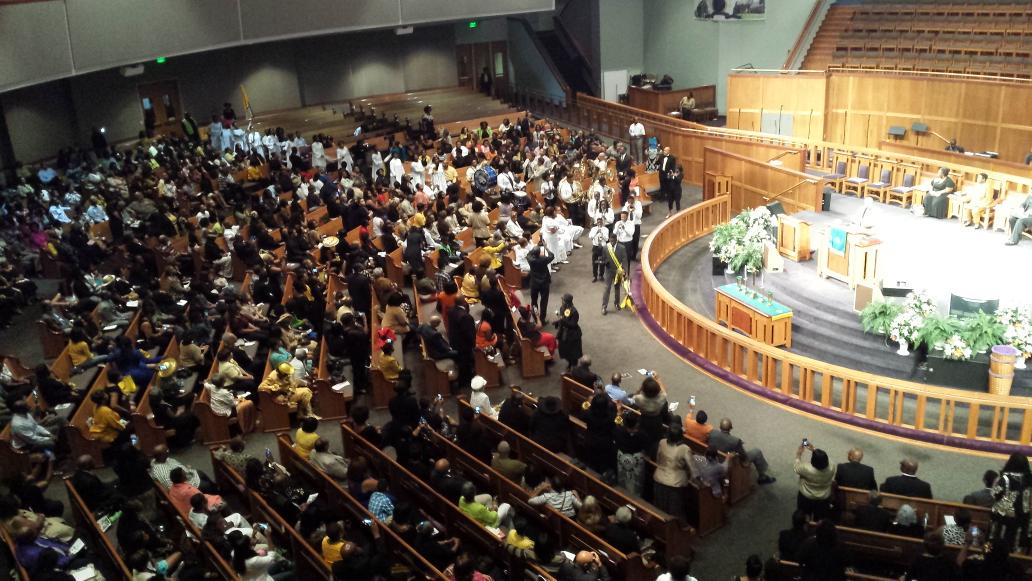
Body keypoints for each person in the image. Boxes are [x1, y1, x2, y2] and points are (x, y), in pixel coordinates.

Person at [710, 418, 776, 485]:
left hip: (716, 459)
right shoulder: (735, 441)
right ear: (730, 428)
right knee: (757, 452)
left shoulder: (712, 433)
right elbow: (744, 456)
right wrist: (739, 446)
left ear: (720, 426)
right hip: (730, 463)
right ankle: (762, 477)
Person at [988, 452, 1031, 552]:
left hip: (1002, 523)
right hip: (1022, 523)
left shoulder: (1004, 479)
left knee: (993, 549)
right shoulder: (1029, 480)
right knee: (1015, 553)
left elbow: (994, 494)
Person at [652, 420, 694, 521]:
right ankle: (678, 529)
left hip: (659, 479)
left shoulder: (662, 442)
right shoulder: (685, 449)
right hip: (675, 484)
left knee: (659, 507)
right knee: (675, 510)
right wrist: (691, 480)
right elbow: (693, 469)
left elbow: (658, 460)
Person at [614, 412, 649, 497]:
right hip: (633, 462)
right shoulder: (642, 435)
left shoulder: (618, 430)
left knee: (625, 480)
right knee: (634, 482)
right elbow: (646, 449)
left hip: (624, 459)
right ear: (637, 423)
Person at [526, 242, 554, 322]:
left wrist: (535, 248)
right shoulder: (544, 259)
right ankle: (542, 319)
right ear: (539, 253)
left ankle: (535, 318)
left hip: (534, 283)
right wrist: (546, 247)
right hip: (544, 283)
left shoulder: (530, 260)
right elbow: (552, 255)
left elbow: (528, 254)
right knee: (544, 301)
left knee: (534, 301)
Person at [601, 234, 627, 316]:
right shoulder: (605, 247)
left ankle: (617, 303)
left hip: (618, 271)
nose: (611, 242)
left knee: (617, 288)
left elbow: (625, 260)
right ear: (609, 239)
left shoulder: (622, 248)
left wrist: (625, 271)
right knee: (607, 288)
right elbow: (603, 258)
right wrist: (605, 262)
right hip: (608, 271)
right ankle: (604, 306)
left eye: (613, 241)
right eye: (610, 240)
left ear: (616, 240)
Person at [555, 294, 583, 370]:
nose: (562, 301)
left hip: (572, 334)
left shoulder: (574, 312)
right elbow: (563, 318)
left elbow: (573, 324)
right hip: (563, 332)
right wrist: (558, 322)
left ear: (567, 302)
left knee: (573, 352)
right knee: (564, 350)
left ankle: (573, 365)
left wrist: (562, 320)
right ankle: (570, 363)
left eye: (563, 300)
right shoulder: (562, 308)